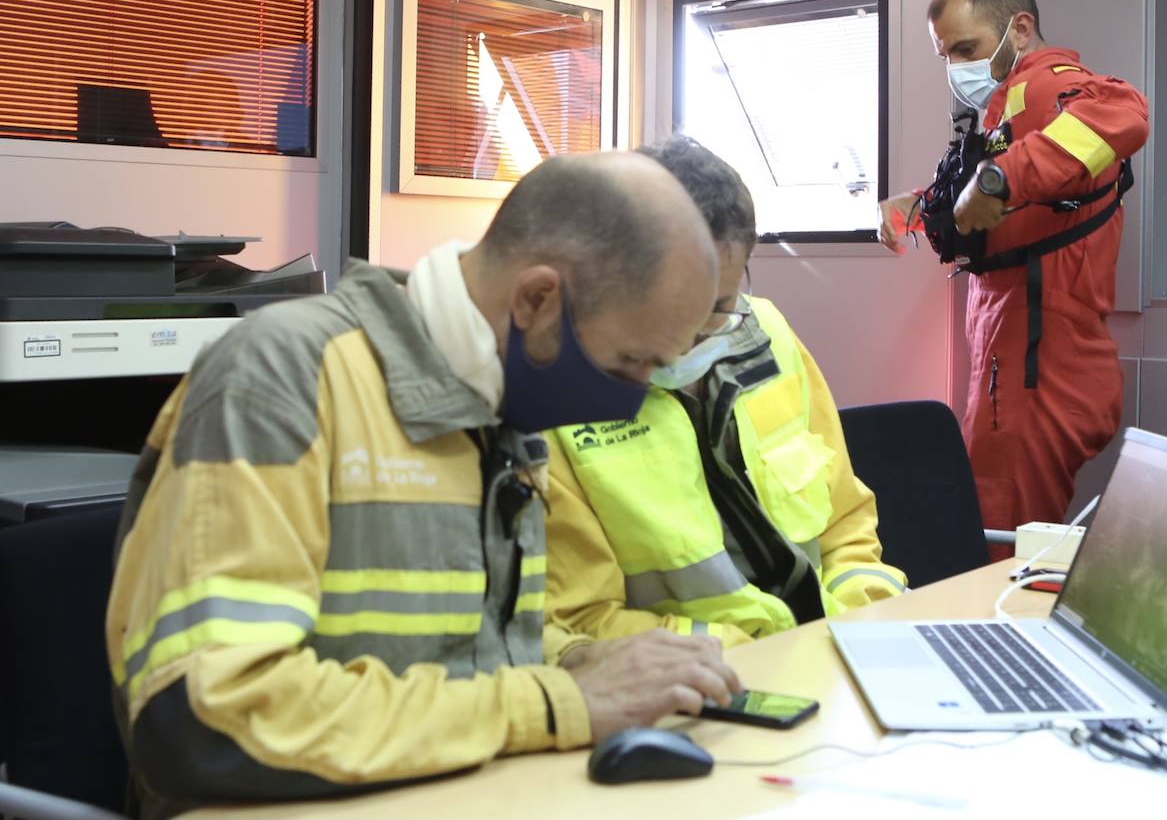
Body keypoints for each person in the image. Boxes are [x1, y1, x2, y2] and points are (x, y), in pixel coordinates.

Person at [104, 151, 743, 815]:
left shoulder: (498, 407)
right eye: (631, 361)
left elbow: (458, 653)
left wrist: (583, 661)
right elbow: (207, 716)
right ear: (536, 299)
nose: (637, 394)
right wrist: (556, 702)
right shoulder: (282, 378)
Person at [544, 136, 907, 649]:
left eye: (718, 304)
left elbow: (845, 521)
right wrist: (759, 651)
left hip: (833, 652)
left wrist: (862, 618)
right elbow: (582, 620)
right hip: (700, 684)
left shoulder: (770, 334)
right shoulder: (553, 401)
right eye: (672, 303)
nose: (691, 333)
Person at [880, 0, 1149, 550]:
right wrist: (922, 204)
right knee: (998, 530)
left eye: (967, 48)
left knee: (1000, 547)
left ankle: (998, 643)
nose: (956, 65)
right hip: (1011, 357)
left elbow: (1125, 112)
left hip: (1041, 369)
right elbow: (1011, 203)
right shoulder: (1009, 106)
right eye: (946, 52)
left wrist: (997, 179)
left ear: (1019, 28)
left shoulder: (1052, 85)